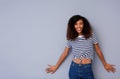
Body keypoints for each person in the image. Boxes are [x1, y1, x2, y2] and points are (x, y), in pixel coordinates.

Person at [46, 15, 116, 79]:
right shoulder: (71, 38)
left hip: (87, 68)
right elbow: (65, 52)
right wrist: (56, 66)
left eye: (81, 23)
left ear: (84, 24)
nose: (78, 26)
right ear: (72, 26)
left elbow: (98, 49)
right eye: (76, 24)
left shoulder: (91, 35)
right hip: (74, 68)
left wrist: (105, 64)